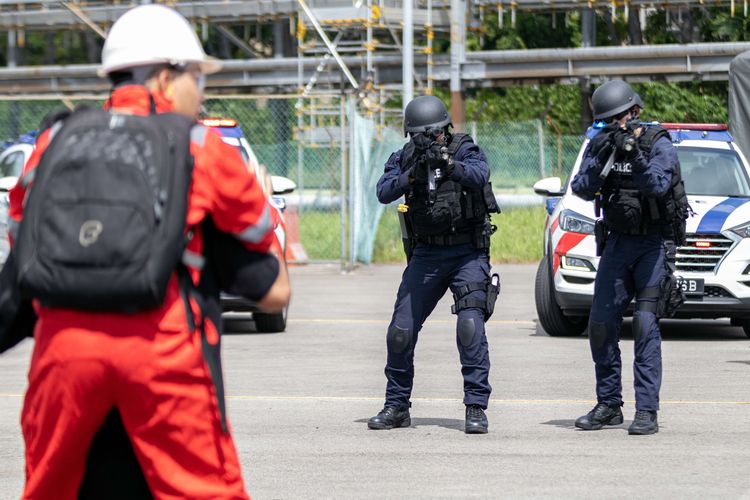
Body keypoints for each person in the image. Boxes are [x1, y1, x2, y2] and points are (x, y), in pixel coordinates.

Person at [7, 5, 289, 498]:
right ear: (165, 77)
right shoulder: (201, 145)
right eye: (197, 78)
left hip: (62, 360)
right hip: (162, 357)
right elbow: (273, 286)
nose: (201, 94)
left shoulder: (53, 140)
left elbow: (20, 234)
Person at [368, 95, 501, 435]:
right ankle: (397, 406)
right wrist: (412, 175)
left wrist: (450, 166)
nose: (428, 140)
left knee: (469, 327)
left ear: (446, 129)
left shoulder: (464, 149)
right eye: (418, 136)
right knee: (400, 332)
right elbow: (383, 191)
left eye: (435, 135)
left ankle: (475, 407)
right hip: (427, 254)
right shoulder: (406, 157)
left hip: (466, 252)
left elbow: (481, 173)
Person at [571, 79, 687, 435]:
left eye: (617, 119)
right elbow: (580, 187)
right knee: (601, 325)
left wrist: (634, 153)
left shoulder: (658, 143)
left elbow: (656, 185)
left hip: (652, 246)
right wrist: (606, 152)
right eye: (606, 121)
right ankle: (608, 404)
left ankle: (647, 411)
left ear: (634, 112)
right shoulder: (602, 142)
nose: (613, 126)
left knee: (645, 326)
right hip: (618, 245)